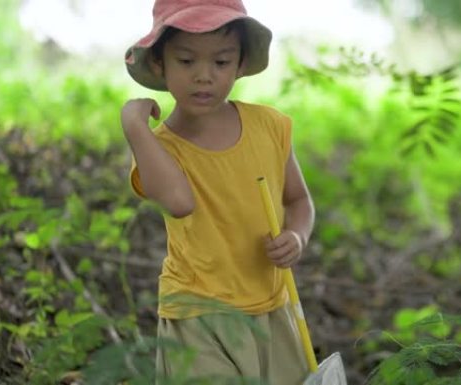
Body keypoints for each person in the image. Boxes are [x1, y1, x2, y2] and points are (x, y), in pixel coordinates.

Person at [121, 0, 314, 383]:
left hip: (272, 304)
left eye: (221, 62)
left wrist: (297, 235)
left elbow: (298, 200)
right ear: (159, 64)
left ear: (241, 64)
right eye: (187, 61)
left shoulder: (269, 127)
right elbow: (178, 203)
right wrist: (136, 129)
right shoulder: (160, 149)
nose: (204, 76)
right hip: (198, 314)